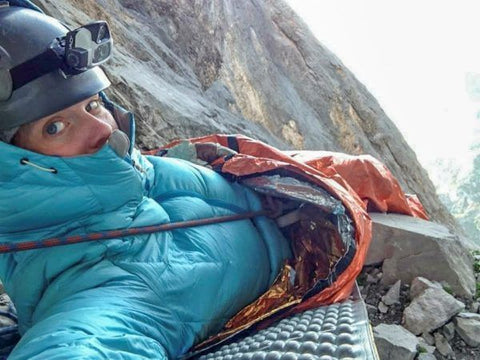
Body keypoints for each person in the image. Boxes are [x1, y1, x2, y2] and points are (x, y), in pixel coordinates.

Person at [0, 4, 293, 359]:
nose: (103, 128)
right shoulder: (97, 292)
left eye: (92, 105)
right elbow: (89, 343)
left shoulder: (136, 171)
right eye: (54, 127)